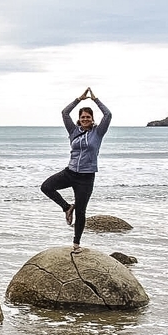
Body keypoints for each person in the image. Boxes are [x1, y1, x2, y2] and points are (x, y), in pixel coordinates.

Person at [40, 88, 112, 253]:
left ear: (92, 119)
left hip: (86, 178)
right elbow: (65, 113)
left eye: (88, 117)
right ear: (79, 120)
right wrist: (78, 99)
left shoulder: (98, 132)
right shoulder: (73, 131)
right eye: (82, 117)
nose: (85, 119)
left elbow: (108, 115)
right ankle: (66, 207)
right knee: (46, 187)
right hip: (70, 173)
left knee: (81, 211)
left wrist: (95, 99)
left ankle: (76, 244)